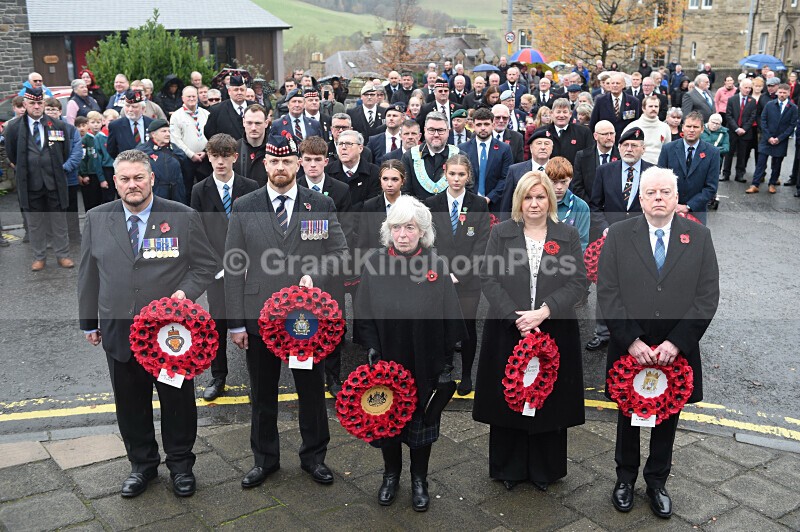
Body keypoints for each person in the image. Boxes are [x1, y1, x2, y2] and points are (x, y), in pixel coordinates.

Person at [78, 149, 219, 498]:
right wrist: (88, 323)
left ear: (152, 179)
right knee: (130, 404)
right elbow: (88, 275)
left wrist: (184, 295)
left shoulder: (182, 216)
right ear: (115, 183)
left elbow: (205, 266)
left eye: (139, 177)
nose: (132, 185)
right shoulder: (97, 218)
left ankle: (181, 466)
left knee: (178, 405)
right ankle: (142, 466)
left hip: (172, 336)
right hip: (119, 332)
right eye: (124, 179)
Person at [224, 134, 348, 489]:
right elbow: (233, 266)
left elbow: (340, 253)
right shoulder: (245, 205)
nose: (281, 168)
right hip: (259, 317)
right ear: (265, 164)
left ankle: (314, 458)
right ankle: (265, 460)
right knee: (262, 393)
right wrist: (235, 324)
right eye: (274, 162)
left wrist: (316, 275)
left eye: (287, 161)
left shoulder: (319, 204)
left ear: (299, 164)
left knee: (311, 391)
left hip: (306, 321)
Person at [598, 166, 719, 519]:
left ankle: (656, 482)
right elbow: (607, 291)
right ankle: (624, 479)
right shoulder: (619, 235)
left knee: (667, 417)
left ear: (677, 198)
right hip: (630, 348)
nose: (658, 199)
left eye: (665, 192)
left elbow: (707, 296)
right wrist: (631, 339)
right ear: (640, 199)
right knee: (628, 416)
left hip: (674, 351)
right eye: (651, 193)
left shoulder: (699, 237)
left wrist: (676, 343)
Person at [473, 170, 587, 491]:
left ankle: (544, 470)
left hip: (554, 329)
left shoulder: (567, 235)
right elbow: (489, 278)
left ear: (550, 199)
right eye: (528, 197)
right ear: (518, 201)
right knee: (510, 392)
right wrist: (517, 317)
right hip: (510, 330)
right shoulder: (502, 234)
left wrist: (545, 311)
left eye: (540, 197)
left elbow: (578, 282)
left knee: (548, 397)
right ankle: (508, 467)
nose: (534, 204)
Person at [355, 194, 466, 512]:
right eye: (397, 228)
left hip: (425, 360)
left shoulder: (436, 264)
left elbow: (450, 315)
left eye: (410, 227)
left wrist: (446, 362)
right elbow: (364, 313)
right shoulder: (375, 264)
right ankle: (391, 475)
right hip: (387, 361)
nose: (403, 234)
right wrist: (373, 349)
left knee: (421, 427)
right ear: (388, 230)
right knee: (387, 423)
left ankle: (420, 479)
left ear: (422, 232)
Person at [190, 133, 259, 401]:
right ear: (208, 157)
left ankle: (257, 374)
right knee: (218, 322)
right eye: (214, 156)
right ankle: (218, 376)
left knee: (253, 321)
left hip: (250, 267)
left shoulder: (251, 185)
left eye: (225, 156)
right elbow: (198, 235)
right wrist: (219, 266)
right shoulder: (200, 190)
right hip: (217, 270)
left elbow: (258, 228)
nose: (220, 162)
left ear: (234, 157)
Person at [423, 155, 490, 395]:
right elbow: (428, 243)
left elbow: (482, 245)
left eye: (462, 174)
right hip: (439, 276)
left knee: (467, 326)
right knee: (442, 324)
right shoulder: (432, 203)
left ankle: (467, 375)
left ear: (468, 176)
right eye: (452, 174)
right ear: (445, 173)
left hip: (468, 280)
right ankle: (445, 367)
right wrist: (443, 273)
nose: (457, 179)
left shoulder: (479, 204)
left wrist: (459, 274)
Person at [297, 135, 353, 394]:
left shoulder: (339, 190)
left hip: (330, 268)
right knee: (302, 322)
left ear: (326, 161)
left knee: (332, 323)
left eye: (317, 160)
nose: (312, 166)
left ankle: (332, 375)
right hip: (301, 269)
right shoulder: (294, 188)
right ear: (300, 162)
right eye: (307, 160)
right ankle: (306, 371)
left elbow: (346, 230)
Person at [4, 87, 75, 270]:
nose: (36, 106)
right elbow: (13, 155)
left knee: (59, 221)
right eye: (32, 103)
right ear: (25, 104)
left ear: (43, 103)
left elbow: (64, 152)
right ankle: (39, 257)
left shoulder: (57, 125)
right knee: (35, 223)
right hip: (30, 183)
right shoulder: (13, 127)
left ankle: (63, 255)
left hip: (53, 182)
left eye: (40, 102)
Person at [657, 111, 719, 223]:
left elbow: (711, 187)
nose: (691, 130)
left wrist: (688, 206)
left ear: (702, 129)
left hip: (697, 210)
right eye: (688, 126)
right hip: (669, 208)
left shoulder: (712, 153)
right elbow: (660, 181)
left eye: (695, 127)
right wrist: (672, 204)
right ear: (683, 128)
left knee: (696, 240)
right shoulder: (668, 149)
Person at [747, 83, 798, 194]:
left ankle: (772, 184)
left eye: (785, 93)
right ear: (777, 92)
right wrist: (768, 136)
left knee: (777, 164)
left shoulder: (793, 108)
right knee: (761, 163)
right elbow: (763, 120)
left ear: (788, 93)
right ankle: (755, 184)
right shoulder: (770, 104)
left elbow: (792, 125)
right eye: (780, 92)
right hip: (766, 139)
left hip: (781, 140)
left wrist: (779, 138)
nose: (782, 95)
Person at [459, 107, 513, 213]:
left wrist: (489, 198)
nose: (483, 128)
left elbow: (505, 178)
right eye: (479, 125)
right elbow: (461, 176)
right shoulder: (462, 148)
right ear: (473, 126)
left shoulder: (504, 149)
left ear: (493, 125)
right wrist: (474, 199)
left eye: (486, 124)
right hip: (469, 203)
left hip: (495, 204)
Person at [402, 111, 461, 200]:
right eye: (431, 130)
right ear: (425, 131)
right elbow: (405, 192)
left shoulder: (459, 156)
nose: (436, 135)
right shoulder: (409, 157)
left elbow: (467, 190)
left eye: (441, 130)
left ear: (448, 132)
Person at [500, 128, 554, 217]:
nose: (543, 147)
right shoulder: (515, 171)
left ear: (552, 148)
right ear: (531, 148)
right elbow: (506, 205)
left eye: (547, 144)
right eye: (539, 143)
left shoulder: (559, 170)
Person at [571, 120, 619, 206]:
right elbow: (577, 186)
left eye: (612, 133)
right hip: (589, 208)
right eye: (605, 134)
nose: (609, 137)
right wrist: (592, 206)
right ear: (595, 136)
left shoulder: (622, 157)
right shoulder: (582, 157)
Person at [547, 156, 590, 251]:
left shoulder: (581, 207)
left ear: (570, 179)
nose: (559, 187)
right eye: (554, 182)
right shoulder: (539, 203)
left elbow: (581, 242)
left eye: (563, 182)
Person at [170, 86, 211, 184]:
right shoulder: (176, 116)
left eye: (194, 96)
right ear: (183, 98)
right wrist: (191, 155)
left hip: (205, 158)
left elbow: (212, 134)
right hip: (186, 160)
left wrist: (206, 152)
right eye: (189, 96)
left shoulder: (206, 113)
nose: (192, 99)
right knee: (187, 189)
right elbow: (175, 140)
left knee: (206, 186)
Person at [723, 79, 757, 182]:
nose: (748, 90)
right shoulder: (732, 99)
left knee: (742, 154)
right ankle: (726, 174)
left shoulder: (753, 101)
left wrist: (744, 129)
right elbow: (728, 115)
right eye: (746, 87)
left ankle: (739, 175)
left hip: (745, 132)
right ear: (740, 87)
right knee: (729, 153)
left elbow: (752, 117)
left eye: (749, 88)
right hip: (733, 131)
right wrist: (736, 128)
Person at [623, 95, 671, 165]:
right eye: (650, 106)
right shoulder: (633, 127)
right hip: (638, 166)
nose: (653, 109)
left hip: (659, 166)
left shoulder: (665, 127)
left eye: (656, 106)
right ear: (643, 108)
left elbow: (668, 150)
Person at [591, 73, 642, 138]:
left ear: (623, 85)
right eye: (612, 83)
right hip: (605, 139)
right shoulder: (600, 101)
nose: (615, 85)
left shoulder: (634, 101)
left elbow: (635, 123)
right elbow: (593, 122)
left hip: (625, 139)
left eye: (617, 83)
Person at [107, 90, 153, 159]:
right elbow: (112, 150)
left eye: (134, 107)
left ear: (143, 109)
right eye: (127, 106)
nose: (130, 110)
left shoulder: (152, 124)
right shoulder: (115, 126)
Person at [204, 75, 250, 140]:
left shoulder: (255, 107)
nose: (239, 93)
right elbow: (209, 133)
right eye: (236, 90)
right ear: (229, 92)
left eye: (242, 90)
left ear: (246, 91)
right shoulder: (217, 110)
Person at [235, 104, 270, 187]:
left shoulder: (275, 149)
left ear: (266, 123)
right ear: (243, 122)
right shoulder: (234, 149)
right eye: (249, 123)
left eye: (258, 123)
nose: (253, 128)